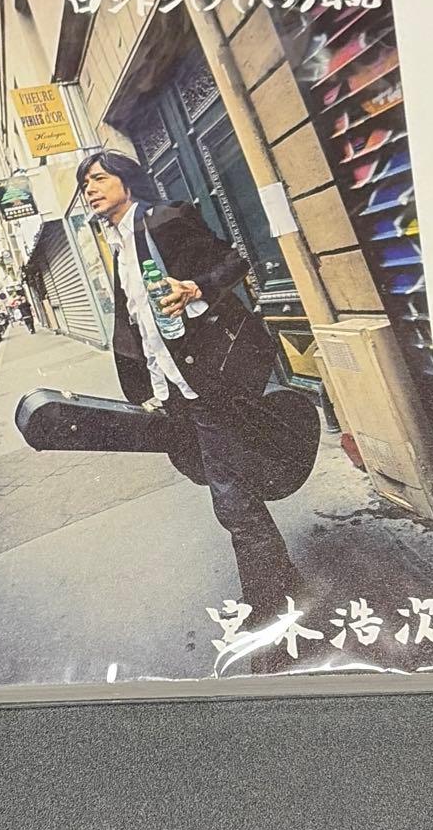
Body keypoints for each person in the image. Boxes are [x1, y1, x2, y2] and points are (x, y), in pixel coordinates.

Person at [78, 149, 309, 652]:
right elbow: (137, 323)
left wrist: (195, 288)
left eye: (98, 179)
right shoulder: (119, 244)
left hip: (211, 378)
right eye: (85, 184)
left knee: (231, 497)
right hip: (176, 387)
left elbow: (234, 261)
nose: (90, 189)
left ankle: (271, 610)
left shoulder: (166, 218)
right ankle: (282, 578)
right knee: (230, 486)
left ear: (126, 181)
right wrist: (146, 389)